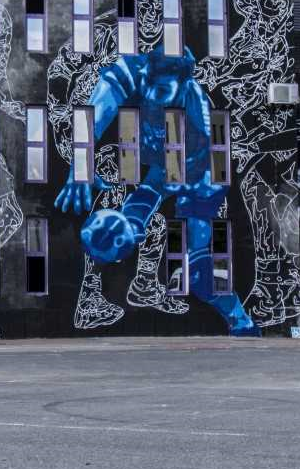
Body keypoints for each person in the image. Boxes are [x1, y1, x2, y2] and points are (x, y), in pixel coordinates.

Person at [56, 44, 260, 336]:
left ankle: (240, 320)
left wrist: (144, 207)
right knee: (127, 190)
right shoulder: (136, 71)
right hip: (154, 157)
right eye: (150, 86)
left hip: (198, 172)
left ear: (184, 87)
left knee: (198, 271)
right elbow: (92, 112)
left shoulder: (200, 116)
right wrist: (80, 166)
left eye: (162, 91)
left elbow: (181, 174)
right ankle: (120, 251)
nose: (152, 95)